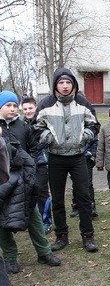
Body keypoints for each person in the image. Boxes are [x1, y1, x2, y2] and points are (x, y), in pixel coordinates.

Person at [34, 68, 100, 253]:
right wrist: (47, 136)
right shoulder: (46, 104)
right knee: (57, 199)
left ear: (73, 85)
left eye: (68, 82)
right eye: (61, 83)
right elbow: (35, 127)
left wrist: (85, 135)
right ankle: (61, 235)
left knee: (84, 197)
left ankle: (88, 236)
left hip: (78, 157)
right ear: (55, 84)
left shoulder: (82, 102)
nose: (65, 86)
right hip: (56, 158)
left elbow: (94, 124)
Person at [0, 92, 61, 273]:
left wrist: (30, 168)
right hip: (2, 181)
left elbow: (34, 148)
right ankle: (10, 257)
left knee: (33, 217)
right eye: (7, 105)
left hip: (23, 180)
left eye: (14, 105)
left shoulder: (23, 126)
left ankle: (44, 252)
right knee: (2, 222)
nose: (12, 109)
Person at [21, 96, 53, 232]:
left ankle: (46, 221)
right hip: (24, 164)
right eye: (25, 109)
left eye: (30, 108)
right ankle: (30, 220)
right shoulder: (20, 125)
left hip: (41, 162)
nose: (28, 111)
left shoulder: (43, 122)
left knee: (41, 191)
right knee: (26, 192)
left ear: (36, 108)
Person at [70, 135, 98, 219]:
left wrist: (93, 154)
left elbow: (95, 141)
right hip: (73, 157)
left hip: (87, 158)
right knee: (75, 183)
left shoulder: (88, 124)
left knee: (88, 183)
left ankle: (91, 206)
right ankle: (75, 205)